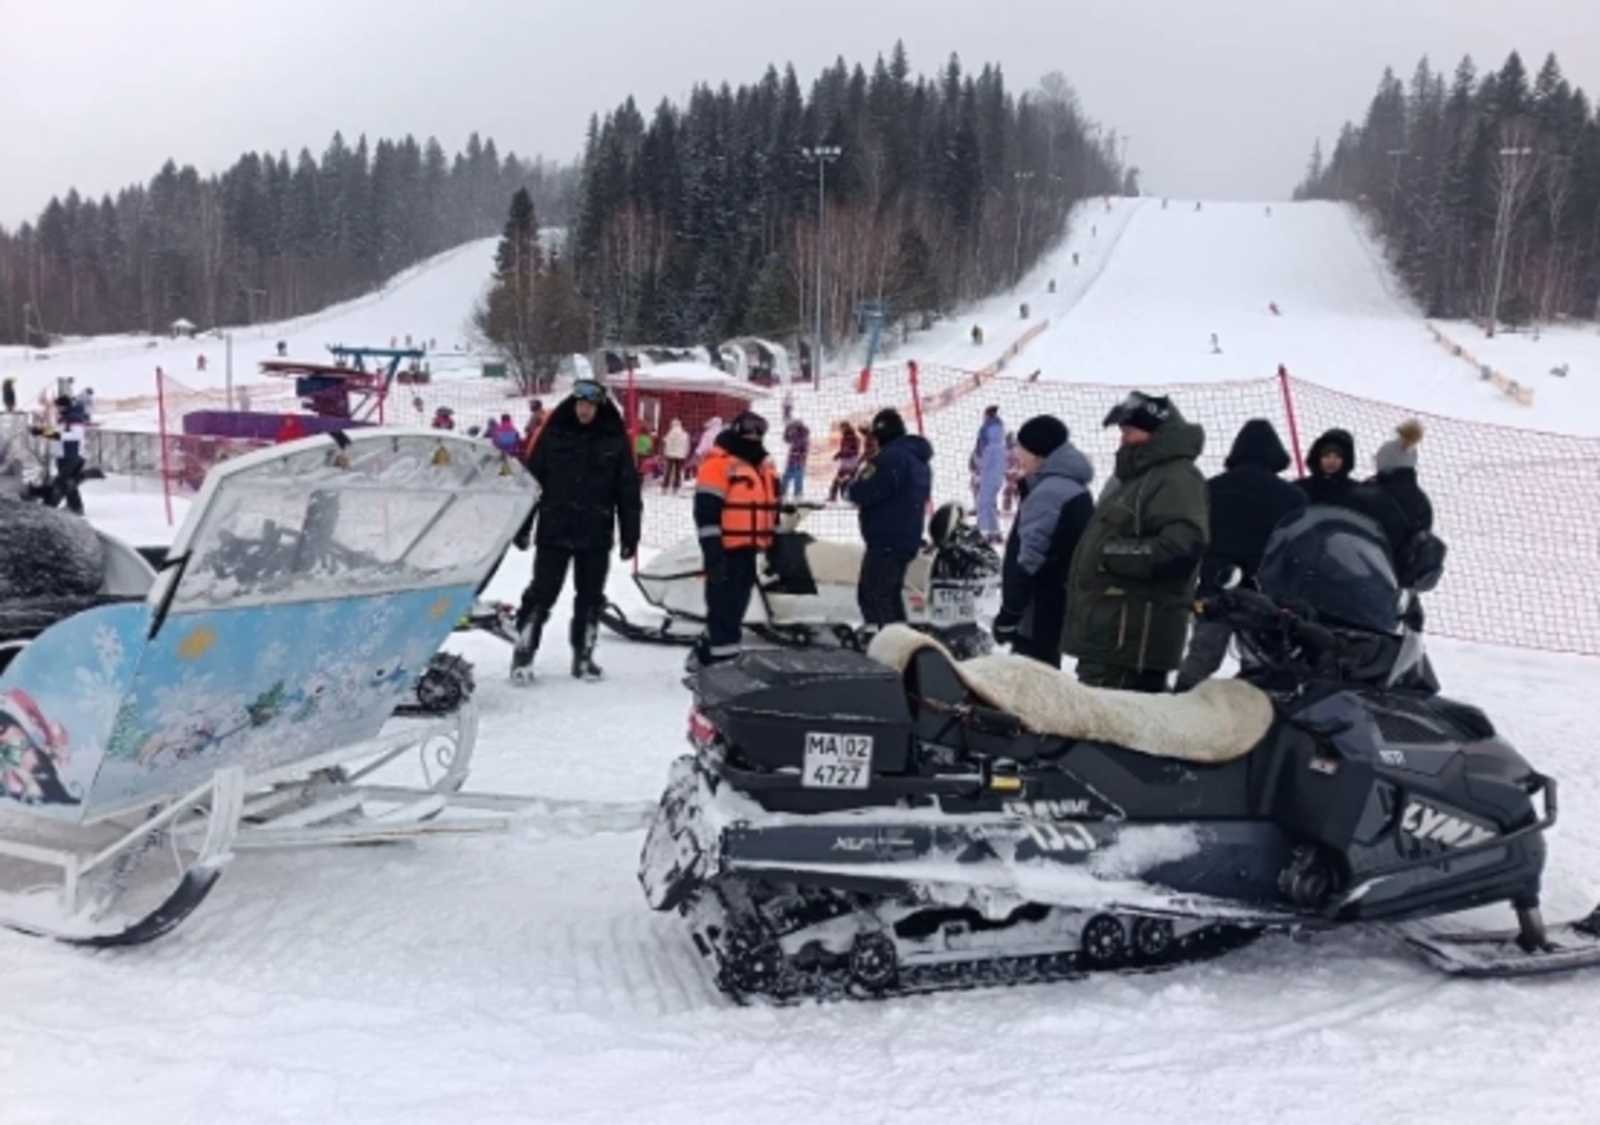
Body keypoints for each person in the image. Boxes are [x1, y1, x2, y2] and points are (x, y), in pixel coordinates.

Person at [1062, 392, 1208, 692]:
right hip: (1109, 636)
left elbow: (1181, 547)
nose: (1123, 439)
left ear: (1155, 432)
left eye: (1129, 431)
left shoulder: (1176, 478)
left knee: (1106, 731)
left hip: (1131, 642)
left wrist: (1109, 554)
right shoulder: (1135, 479)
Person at [511, 379, 642, 683]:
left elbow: (627, 491)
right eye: (580, 404)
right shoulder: (554, 433)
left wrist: (630, 534)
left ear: (599, 407)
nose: (584, 411)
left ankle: (583, 656)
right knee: (541, 593)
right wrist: (522, 526)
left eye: (590, 406)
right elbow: (531, 484)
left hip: (595, 533)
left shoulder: (614, 439)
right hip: (555, 529)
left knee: (590, 597)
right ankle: (524, 653)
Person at [1175, 418, 1306, 691]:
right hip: (1265, 593)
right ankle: (1264, 720)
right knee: (1261, 662)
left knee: (1202, 658)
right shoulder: (1293, 497)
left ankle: (1179, 704)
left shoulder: (1211, 488)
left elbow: (1194, 539)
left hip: (1215, 586)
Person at [992, 416, 1094, 667]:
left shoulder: (1049, 493)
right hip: (1057, 605)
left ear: (1039, 453)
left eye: (1022, 448)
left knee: (1029, 683)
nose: (1017, 455)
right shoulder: (1073, 488)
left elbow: (1030, 561)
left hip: (1037, 611)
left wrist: (1010, 613)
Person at [693, 412, 780, 666]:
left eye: (759, 431)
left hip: (749, 552)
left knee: (735, 610)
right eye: (748, 430)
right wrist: (712, 554)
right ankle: (722, 665)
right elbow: (706, 513)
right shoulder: (718, 463)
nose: (754, 436)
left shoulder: (763, 466)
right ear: (736, 430)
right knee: (724, 613)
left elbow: (770, 509)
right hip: (725, 551)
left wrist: (773, 546)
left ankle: (708, 651)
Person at [846, 409, 932, 633]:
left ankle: (890, 648)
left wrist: (849, 488)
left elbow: (866, 490)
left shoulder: (892, 458)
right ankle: (895, 643)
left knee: (875, 595)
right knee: (888, 596)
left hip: (886, 540)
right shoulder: (916, 458)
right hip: (904, 537)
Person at [972, 405, 1006, 542]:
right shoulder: (1000, 439)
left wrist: (978, 467)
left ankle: (983, 534)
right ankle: (995, 532)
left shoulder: (986, 433)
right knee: (989, 502)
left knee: (983, 503)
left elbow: (982, 455)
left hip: (988, 473)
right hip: (997, 474)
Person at [828, 421, 861, 502]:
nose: (841, 429)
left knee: (850, 480)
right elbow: (843, 449)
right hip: (848, 461)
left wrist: (843, 454)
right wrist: (838, 455)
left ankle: (834, 497)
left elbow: (854, 450)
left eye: (842, 427)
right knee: (842, 479)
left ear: (847, 427)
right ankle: (832, 497)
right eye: (841, 428)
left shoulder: (853, 437)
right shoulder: (845, 437)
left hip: (851, 461)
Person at [781, 418, 810, 499]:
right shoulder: (796, 434)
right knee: (786, 478)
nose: (793, 428)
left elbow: (802, 449)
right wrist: (786, 430)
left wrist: (789, 430)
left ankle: (797, 495)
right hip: (792, 461)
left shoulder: (803, 435)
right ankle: (783, 493)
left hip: (799, 462)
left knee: (797, 479)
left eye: (794, 426)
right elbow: (786, 439)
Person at [661, 418, 690, 492]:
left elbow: (665, 442)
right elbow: (686, 445)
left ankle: (665, 486)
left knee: (668, 471)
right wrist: (685, 453)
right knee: (678, 471)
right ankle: (676, 486)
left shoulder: (670, 433)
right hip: (680, 455)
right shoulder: (684, 434)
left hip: (670, 454)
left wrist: (664, 452)